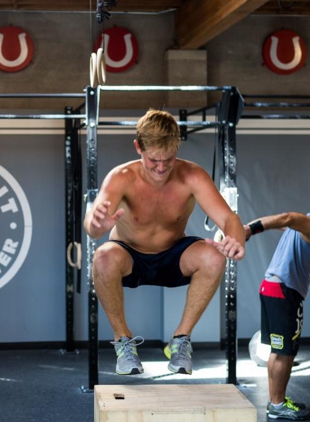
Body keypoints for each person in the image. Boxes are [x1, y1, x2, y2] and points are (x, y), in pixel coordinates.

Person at [83, 109, 245, 376]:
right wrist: (95, 225)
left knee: (214, 256)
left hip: (173, 255)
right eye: (153, 160)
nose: (160, 168)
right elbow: (92, 224)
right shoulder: (121, 176)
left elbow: (229, 218)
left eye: (168, 160)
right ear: (138, 147)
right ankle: (124, 342)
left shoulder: (192, 175)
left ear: (177, 147)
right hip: (129, 255)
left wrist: (235, 240)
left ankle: (180, 341)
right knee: (103, 256)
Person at [244, 212, 310, 421]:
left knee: (278, 349)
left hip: (271, 288)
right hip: (285, 291)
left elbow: (284, 222)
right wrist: (250, 229)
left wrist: (251, 226)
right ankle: (278, 405)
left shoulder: (302, 224)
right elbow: (288, 217)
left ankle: (276, 401)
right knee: (286, 352)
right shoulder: (306, 223)